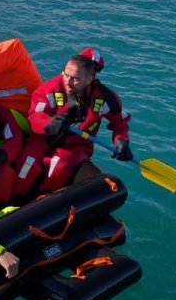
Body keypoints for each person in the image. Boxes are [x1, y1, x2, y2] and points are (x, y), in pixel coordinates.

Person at [14, 52, 132, 197]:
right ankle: (14, 198)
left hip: (76, 145)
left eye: (76, 78)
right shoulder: (50, 89)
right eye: (66, 74)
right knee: (27, 163)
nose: (68, 82)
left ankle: (41, 201)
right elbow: (35, 116)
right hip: (44, 139)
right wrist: (50, 124)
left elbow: (120, 121)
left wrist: (121, 140)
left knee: (59, 167)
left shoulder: (105, 99)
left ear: (90, 78)